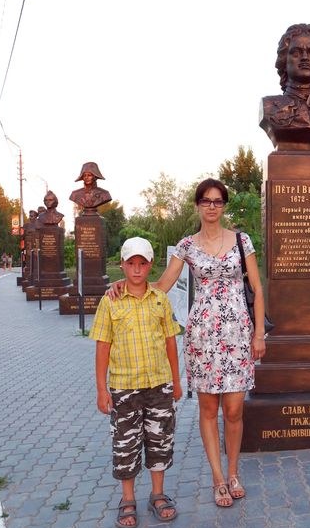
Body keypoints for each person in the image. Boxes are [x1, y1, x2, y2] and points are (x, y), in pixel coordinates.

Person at [108, 178, 267, 508]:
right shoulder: (187, 245)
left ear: (224, 206)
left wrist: (259, 334)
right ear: (197, 205)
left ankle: (234, 471)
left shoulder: (241, 240)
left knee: (234, 409)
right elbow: (162, 284)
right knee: (209, 408)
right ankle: (218, 478)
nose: (212, 206)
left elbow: (257, 287)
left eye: (218, 201)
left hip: (237, 332)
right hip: (203, 336)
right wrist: (126, 284)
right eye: (206, 201)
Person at [90, 236, 183, 528]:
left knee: (160, 441)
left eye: (143, 263)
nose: (137, 269)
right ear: (122, 265)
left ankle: (157, 494)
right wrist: (101, 389)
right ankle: (127, 499)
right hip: (124, 388)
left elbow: (170, 342)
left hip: (159, 385)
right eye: (131, 263)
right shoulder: (111, 301)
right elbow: (103, 347)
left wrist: (176, 382)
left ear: (151, 265)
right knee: (125, 445)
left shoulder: (160, 300)